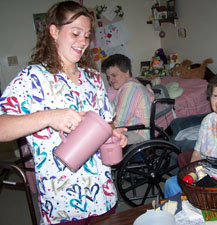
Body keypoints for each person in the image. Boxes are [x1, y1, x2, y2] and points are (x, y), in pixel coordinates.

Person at [0, 1, 127, 224]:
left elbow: (107, 123)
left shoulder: (93, 78)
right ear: (54, 31)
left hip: (103, 195)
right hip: (62, 202)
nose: (83, 42)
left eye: (87, 36)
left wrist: (114, 134)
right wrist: (51, 116)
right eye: (76, 33)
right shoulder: (32, 78)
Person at [101, 54, 155, 145]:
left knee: (97, 142)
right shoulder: (129, 86)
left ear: (126, 72)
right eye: (108, 77)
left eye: (114, 75)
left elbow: (119, 122)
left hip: (136, 135)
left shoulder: (131, 87)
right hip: (130, 132)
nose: (110, 80)